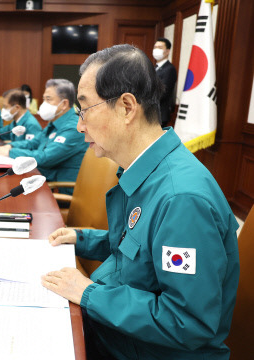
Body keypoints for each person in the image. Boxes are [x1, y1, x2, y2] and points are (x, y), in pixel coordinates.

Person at [41, 44, 239, 360]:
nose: (79, 125)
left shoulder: (181, 200)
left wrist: (88, 293)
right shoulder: (147, 171)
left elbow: (187, 322)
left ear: (127, 107)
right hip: (118, 336)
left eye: (85, 109)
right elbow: (141, 251)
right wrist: (83, 239)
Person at [0, 79, 88, 194]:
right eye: (44, 99)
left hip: (59, 191)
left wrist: (11, 152)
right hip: (44, 181)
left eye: (48, 99)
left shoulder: (73, 128)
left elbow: (45, 158)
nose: (44, 104)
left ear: (64, 104)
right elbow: (34, 142)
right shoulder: (55, 121)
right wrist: (10, 146)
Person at [153, 37, 177, 127]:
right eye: (155, 47)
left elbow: (163, 92)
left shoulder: (169, 69)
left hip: (160, 114)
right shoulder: (154, 68)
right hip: (152, 114)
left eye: (160, 47)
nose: (156, 50)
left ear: (167, 51)